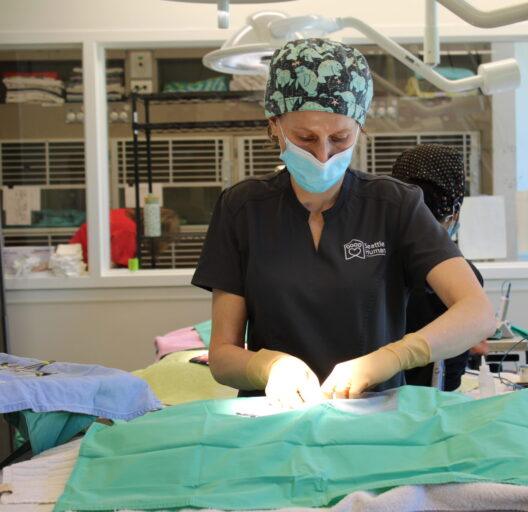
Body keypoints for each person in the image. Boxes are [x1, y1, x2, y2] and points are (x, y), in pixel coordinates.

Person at [191, 38, 495, 409]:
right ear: (274, 126)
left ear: (360, 129)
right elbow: (222, 356)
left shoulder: (394, 206)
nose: (322, 154)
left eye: (339, 138)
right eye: (305, 138)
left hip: (375, 417)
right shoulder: (242, 209)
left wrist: (393, 357)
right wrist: (267, 367)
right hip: (274, 418)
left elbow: (477, 313)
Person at [391, 144, 486, 391]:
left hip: (370, 399)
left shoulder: (372, 265)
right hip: (436, 401)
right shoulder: (462, 278)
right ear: (454, 213)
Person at [68, 207, 179, 267]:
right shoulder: (129, 231)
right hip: (78, 266)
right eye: (167, 241)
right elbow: (120, 270)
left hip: (75, 259)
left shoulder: (125, 213)